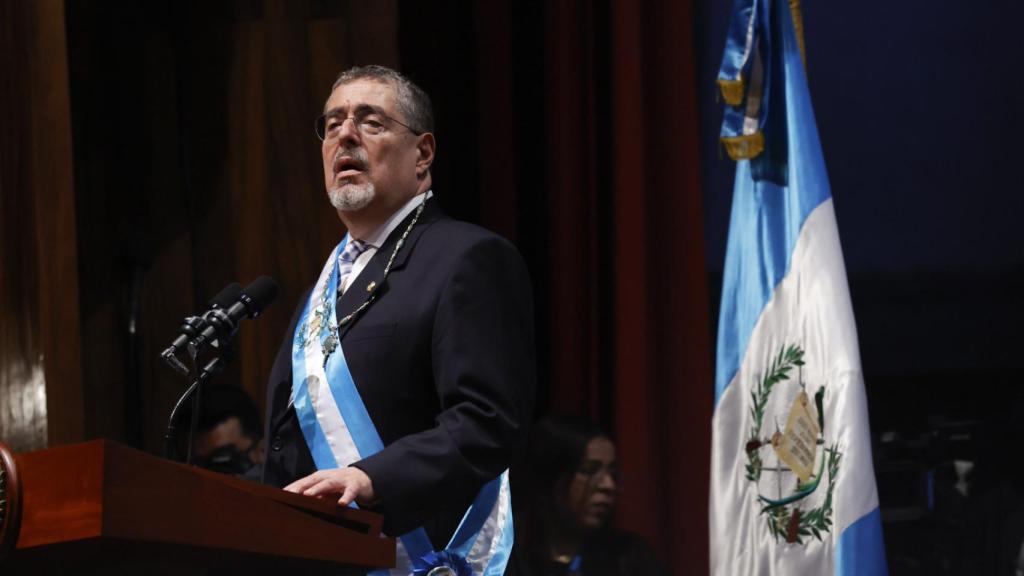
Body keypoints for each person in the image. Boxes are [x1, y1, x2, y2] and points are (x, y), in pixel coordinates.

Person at [256, 65, 536, 575]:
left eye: (371, 121)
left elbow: (487, 422)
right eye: (334, 122)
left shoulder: (467, 258)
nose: (345, 134)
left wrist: (370, 480)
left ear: (423, 155)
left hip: (420, 556)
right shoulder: (316, 295)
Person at [512, 416, 663, 576]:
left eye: (611, 472)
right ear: (550, 476)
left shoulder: (628, 557)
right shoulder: (507, 556)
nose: (608, 485)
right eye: (588, 470)